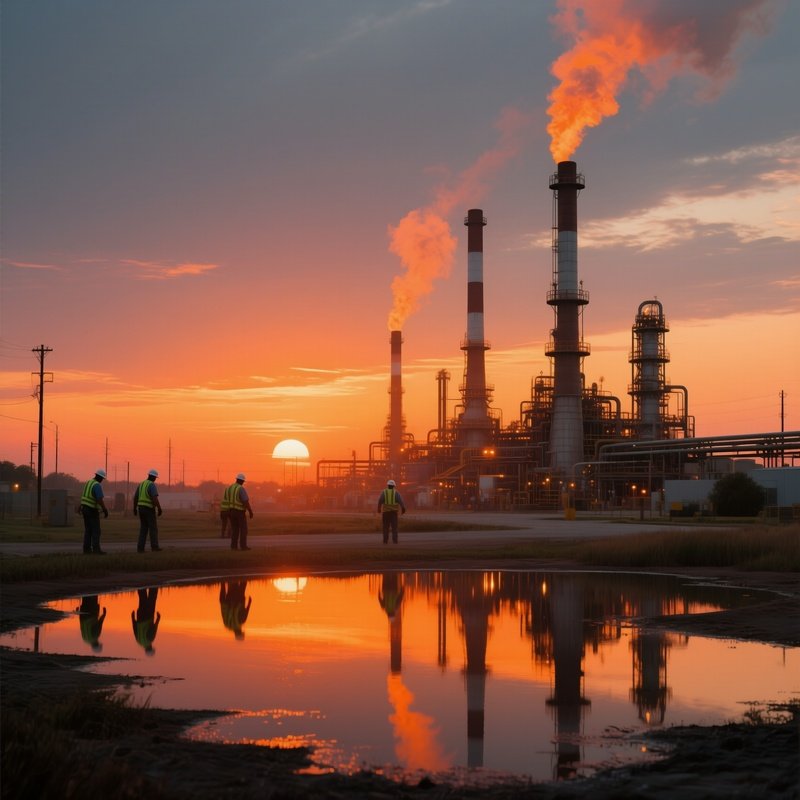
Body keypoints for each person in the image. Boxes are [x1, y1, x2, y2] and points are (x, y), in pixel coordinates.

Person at [133, 469, 163, 552]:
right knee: (153, 528)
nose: (155, 479)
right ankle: (154, 547)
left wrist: (134, 508)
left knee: (143, 529)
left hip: (140, 509)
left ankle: (140, 548)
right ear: (153, 477)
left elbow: (135, 497)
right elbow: (154, 498)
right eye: (155, 477)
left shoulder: (141, 484)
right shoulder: (151, 485)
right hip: (149, 509)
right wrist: (159, 508)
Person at [80, 468, 109, 554]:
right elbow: (99, 499)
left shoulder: (89, 482)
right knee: (96, 530)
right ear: (100, 477)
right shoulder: (97, 485)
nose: (102, 480)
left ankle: (86, 550)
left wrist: (80, 506)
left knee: (88, 530)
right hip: (91, 510)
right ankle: (96, 550)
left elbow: (84, 496)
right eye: (102, 478)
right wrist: (105, 509)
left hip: (85, 509)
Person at [224, 472, 253, 550]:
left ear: (236, 479)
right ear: (242, 481)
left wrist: (227, 511)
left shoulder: (229, 488)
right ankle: (243, 546)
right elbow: (245, 501)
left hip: (230, 512)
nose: (243, 482)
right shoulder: (240, 488)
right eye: (243, 481)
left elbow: (225, 500)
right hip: (239, 512)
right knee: (243, 529)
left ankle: (233, 546)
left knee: (235, 529)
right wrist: (250, 511)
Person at [131, 587, 161, 655]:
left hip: (148, 616)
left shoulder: (150, 640)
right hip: (140, 616)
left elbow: (153, 628)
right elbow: (134, 629)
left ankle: (154, 585)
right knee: (142, 598)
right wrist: (132, 617)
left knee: (152, 598)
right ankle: (141, 586)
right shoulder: (139, 641)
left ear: (151, 648)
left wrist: (158, 619)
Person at [377, 479, 406, 544]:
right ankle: (395, 541)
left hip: (385, 513)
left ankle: (385, 541)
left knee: (385, 527)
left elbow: (380, 501)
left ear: (388, 485)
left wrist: (379, 509)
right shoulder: (396, 493)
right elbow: (400, 501)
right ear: (393, 486)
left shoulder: (384, 492)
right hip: (393, 513)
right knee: (394, 527)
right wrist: (403, 508)